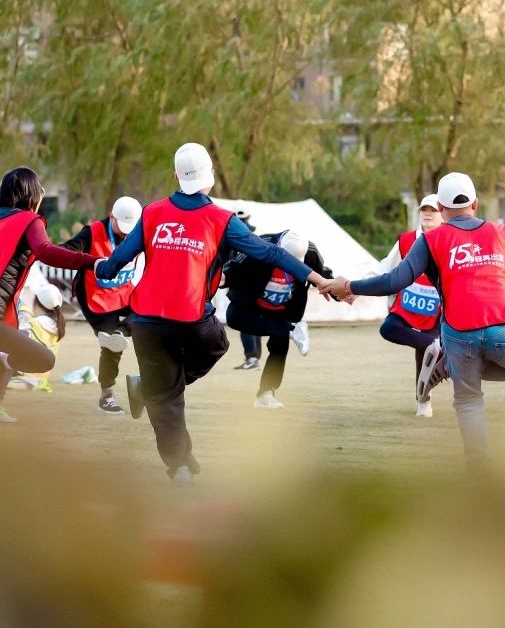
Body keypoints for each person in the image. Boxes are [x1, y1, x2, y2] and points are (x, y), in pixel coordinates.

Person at [322, 172, 505, 469]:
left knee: (468, 399)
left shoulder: (430, 240)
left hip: (458, 333)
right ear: (475, 204)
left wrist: (349, 286)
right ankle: (461, 362)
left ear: (441, 209)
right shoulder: (504, 233)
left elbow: (393, 281)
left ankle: (476, 461)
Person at [94, 143, 333, 486]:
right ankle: (152, 396)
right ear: (211, 177)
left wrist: (102, 268)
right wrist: (318, 279)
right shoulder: (222, 220)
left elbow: (119, 260)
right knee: (211, 348)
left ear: (176, 175)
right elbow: (270, 253)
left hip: (145, 320)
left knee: (165, 395)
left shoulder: (153, 212)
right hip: (191, 320)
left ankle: (176, 461)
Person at [0, 167, 99, 461]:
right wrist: (93, 263)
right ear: (32, 195)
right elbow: (46, 252)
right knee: (44, 359)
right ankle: (2, 359)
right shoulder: (29, 220)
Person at [224, 230, 331, 409]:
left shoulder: (310, 251)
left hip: (281, 313)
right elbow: (235, 265)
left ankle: (265, 395)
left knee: (280, 343)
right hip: (248, 307)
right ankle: (292, 328)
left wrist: (341, 291)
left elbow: (322, 274)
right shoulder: (261, 243)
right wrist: (224, 278)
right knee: (237, 320)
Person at [61, 196, 143, 414]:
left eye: (130, 230)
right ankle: (107, 396)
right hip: (94, 295)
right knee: (111, 347)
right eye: (122, 228)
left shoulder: (141, 232)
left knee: (149, 310)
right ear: (111, 217)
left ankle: (121, 332)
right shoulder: (92, 232)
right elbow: (68, 250)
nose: (125, 234)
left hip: (123, 291)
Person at [375, 193, 444, 416]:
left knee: (424, 354)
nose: (428, 213)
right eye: (424, 209)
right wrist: (353, 289)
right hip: (407, 304)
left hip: (436, 309)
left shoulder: (449, 240)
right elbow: (385, 267)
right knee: (388, 328)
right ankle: (438, 347)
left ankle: (423, 400)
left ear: (442, 213)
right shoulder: (406, 240)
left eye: (433, 210)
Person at [228, 207, 264, 371]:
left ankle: (251, 358)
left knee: (244, 323)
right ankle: (255, 358)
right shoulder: (256, 238)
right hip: (258, 287)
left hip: (242, 288)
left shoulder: (232, 238)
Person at [16, 282, 66, 391]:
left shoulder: (33, 324)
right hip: (41, 378)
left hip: (24, 376)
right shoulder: (57, 325)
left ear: (36, 303)